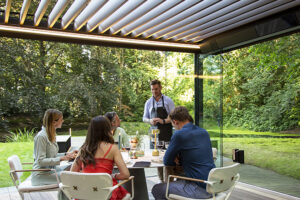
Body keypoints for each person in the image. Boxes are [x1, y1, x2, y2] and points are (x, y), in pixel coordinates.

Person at [152, 106, 215, 199]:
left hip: (198, 188)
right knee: (179, 179)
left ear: (175, 122)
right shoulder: (204, 132)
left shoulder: (179, 134)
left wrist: (175, 158)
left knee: (157, 189)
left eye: (173, 125)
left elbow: (167, 161)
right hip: (213, 185)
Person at [71, 115, 130, 200]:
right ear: (108, 129)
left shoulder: (83, 149)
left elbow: (72, 173)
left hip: (86, 194)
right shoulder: (113, 148)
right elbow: (125, 174)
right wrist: (113, 176)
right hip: (106, 194)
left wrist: (86, 175)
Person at [31, 109, 77, 186]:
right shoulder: (41, 137)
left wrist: (67, 154)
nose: (63, 121)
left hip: (52, 170)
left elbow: (52, 155)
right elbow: (40, 161)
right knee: (74, 177)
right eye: (61, 119)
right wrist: (62, 158)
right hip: (42, 175)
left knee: (73, 167)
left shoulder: (51, 134)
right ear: (54, 122)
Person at [143, 79, 175, 147]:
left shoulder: (168, 101)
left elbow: (174, 117)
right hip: (154, 136)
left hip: (166, 135)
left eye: (156, 89)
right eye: (152, 89)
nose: (154, 91)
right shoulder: (148, 102)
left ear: (161, 88)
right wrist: (150, 120)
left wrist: (163, 121)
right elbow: (144, 118)